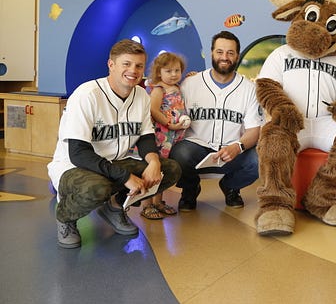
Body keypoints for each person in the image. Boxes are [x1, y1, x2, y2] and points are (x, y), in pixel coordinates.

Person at [48, 39, 181, 249]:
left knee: (170, 169)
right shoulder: (87, 95)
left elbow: (146, 136)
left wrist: (154, 161)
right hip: (76, 166)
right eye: (126, 64)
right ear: (111, 65)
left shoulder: (140, 95)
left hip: (116, 161)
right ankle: (66, 217)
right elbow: (78, 153)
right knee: (97, 188)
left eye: (138, 66)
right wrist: (126, 177)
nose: (133, 70)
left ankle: (115, 206)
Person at [169, 31, 263, 211]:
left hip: (232, 149)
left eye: (230, 53)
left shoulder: (249, 89)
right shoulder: (190, 83)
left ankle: (231, 186)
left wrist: (238, 146)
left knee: (258, 161)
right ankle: (190, 189)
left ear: (237, 56)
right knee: (179, 154)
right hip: (196, 148)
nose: (224, 57)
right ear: (212, 53)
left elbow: (254, 131)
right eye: (220, 52)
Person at [141, 51, 190, 220]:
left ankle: (159, 201)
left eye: (177, 70)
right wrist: (170, 124)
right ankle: (146, 204)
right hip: (161, 136)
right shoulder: (158, 89)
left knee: (165, 170)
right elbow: (154, 110)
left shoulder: (177, 87)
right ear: (159, 72)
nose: (174, 74)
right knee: (155, 169)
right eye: (168, 71)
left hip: (173, 137)